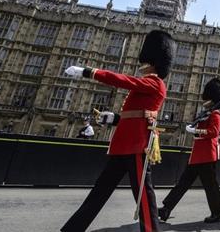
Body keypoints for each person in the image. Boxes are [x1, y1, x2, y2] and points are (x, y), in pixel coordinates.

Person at [61, 30, 173, 232]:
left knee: (145, 199)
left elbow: (123, 80)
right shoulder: (148, 84)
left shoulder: (156, 83)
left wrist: (89, 72)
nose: (142, 65)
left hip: (137, 146)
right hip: (124, 146)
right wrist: (114, 119)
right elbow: (137, 114)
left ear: (153, 61)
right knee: (99, 193)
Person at [158, 78, 220, 223]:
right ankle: (166, 208)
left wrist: (196, 130)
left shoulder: (216, 114)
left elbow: (213, 132)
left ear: (212, 99)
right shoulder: (206, 113)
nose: (204, 101)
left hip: (207, 155)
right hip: (198, 155)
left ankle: (218, 213)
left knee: (211, 187)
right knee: (183, 183)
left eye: (206, 99)